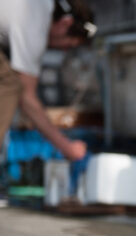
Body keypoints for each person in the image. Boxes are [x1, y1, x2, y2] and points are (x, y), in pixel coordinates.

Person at [0, 0, 96, 161]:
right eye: (69, 45)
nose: (64, 50)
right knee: (10, 85)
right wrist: (68, 148)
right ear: (66, 23)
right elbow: (27, 99)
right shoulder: (35, 18)